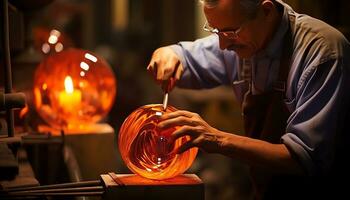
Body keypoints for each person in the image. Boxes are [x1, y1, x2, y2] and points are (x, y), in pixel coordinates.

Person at [147, 0, 350, 199]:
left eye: (230, 32)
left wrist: (217, 139)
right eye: (215, 31)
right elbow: (185, 56)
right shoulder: (244, 40)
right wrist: (168, 53)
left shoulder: (324, 53)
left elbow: (304, 158)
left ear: (267, 11)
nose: (223, 45)